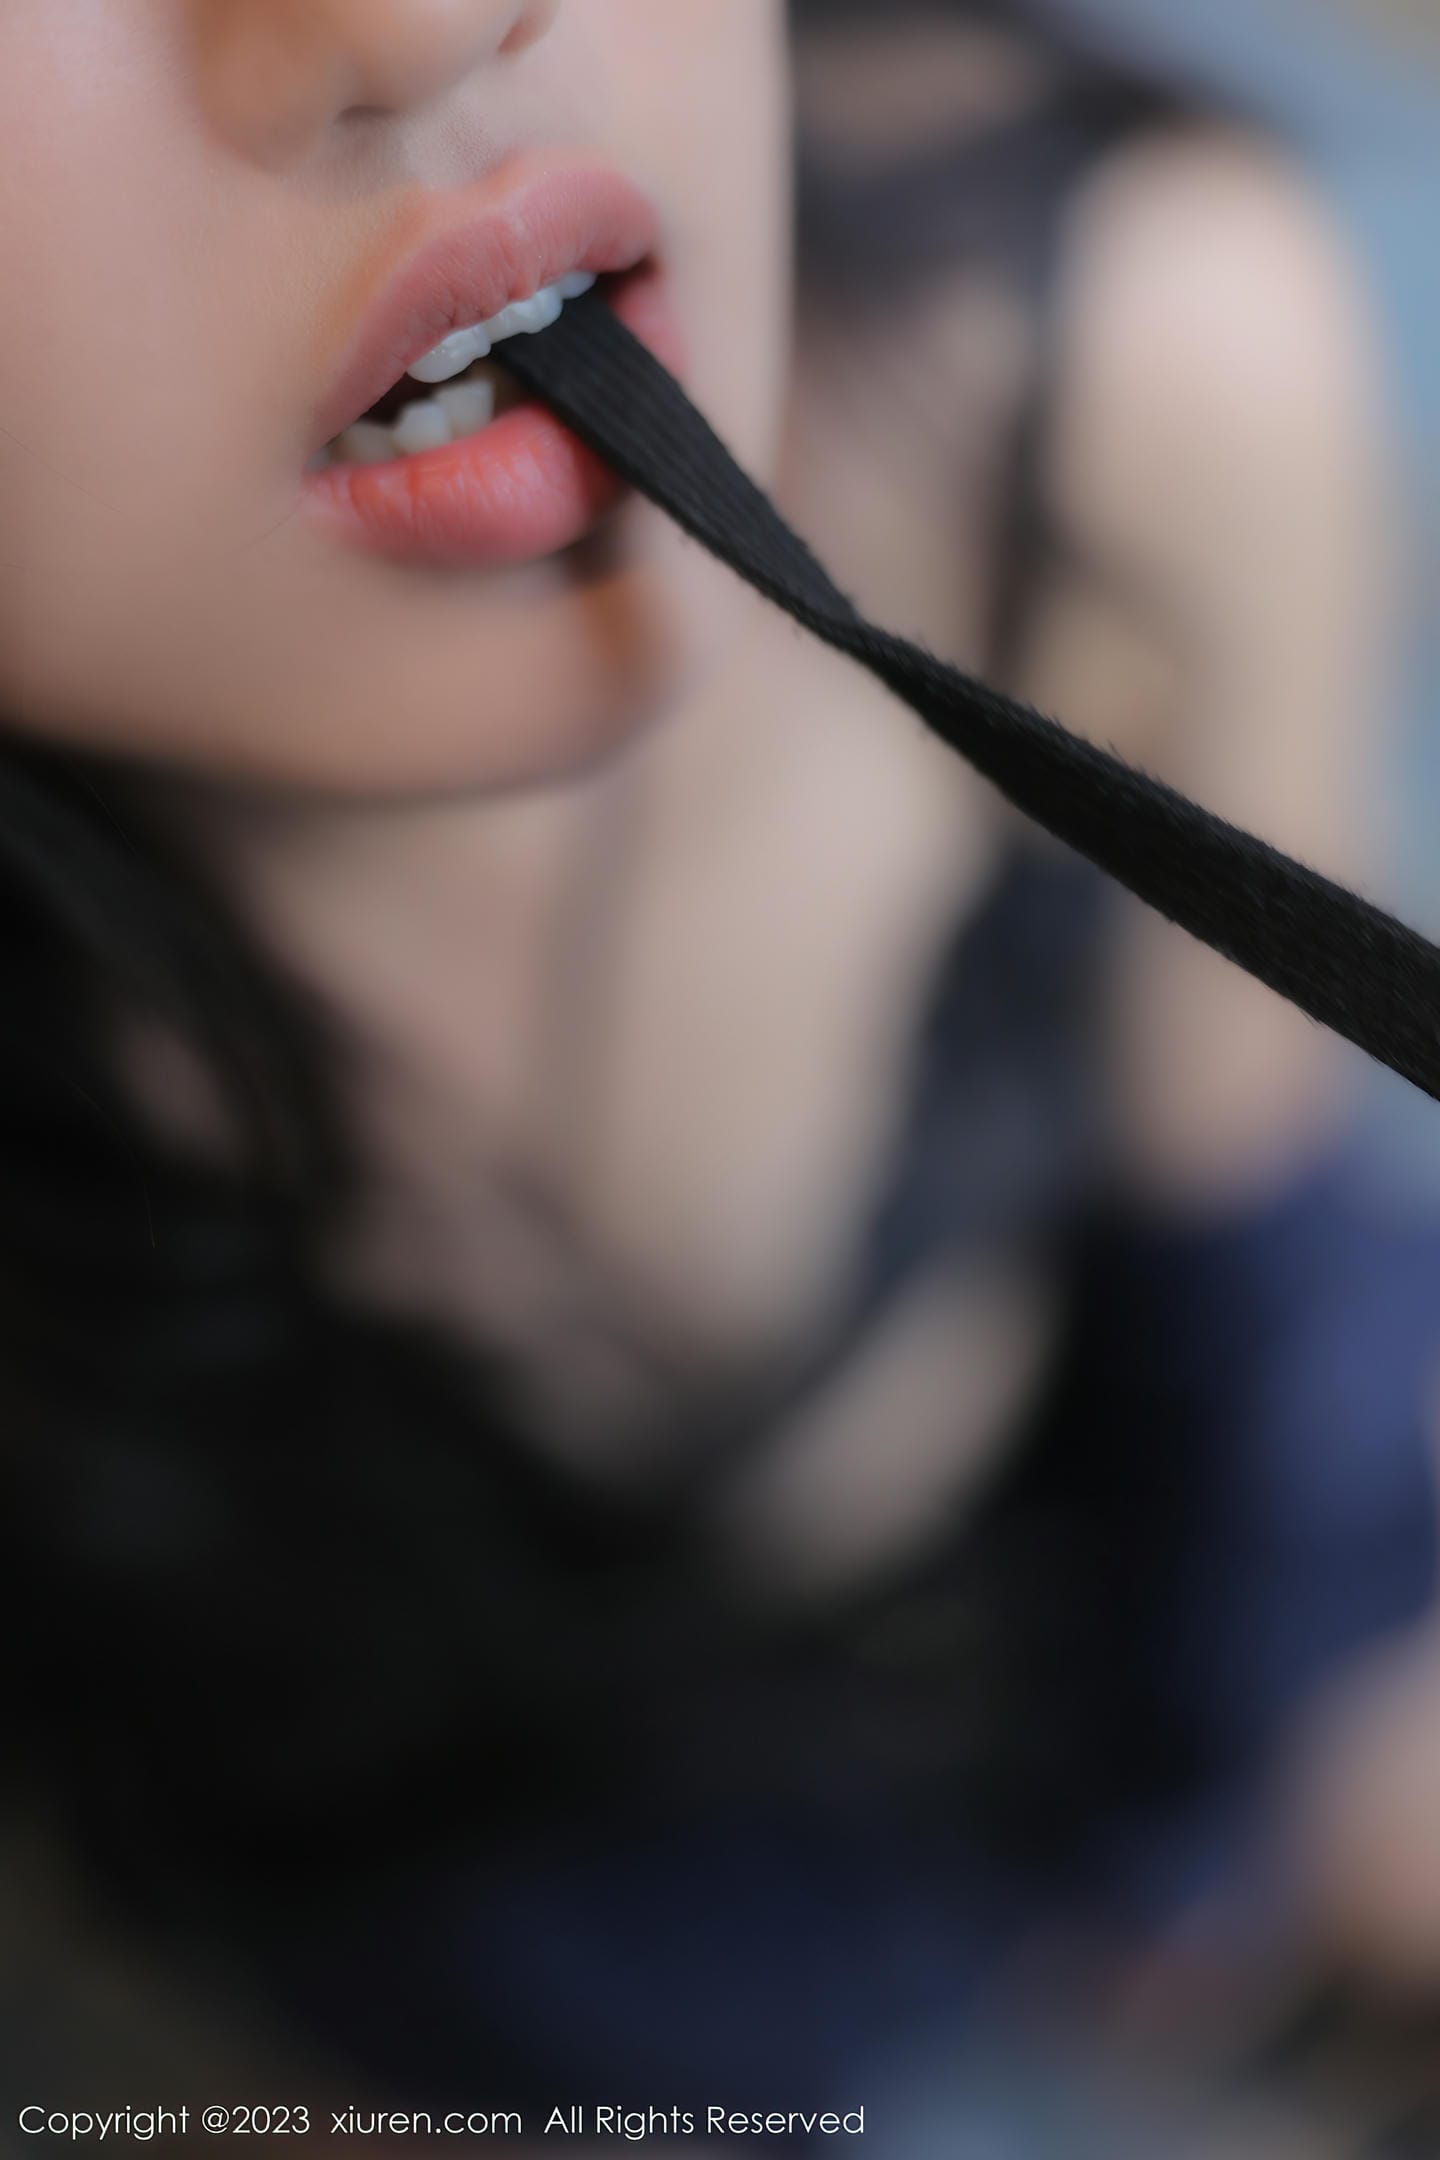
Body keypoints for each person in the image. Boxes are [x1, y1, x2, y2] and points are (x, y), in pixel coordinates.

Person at [0, 0, 1433, 2129]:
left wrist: (1251, 1778)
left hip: (1127, 1544)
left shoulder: (1132, 366)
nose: (420, 18)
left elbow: (1251, 1285)